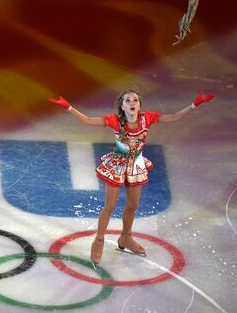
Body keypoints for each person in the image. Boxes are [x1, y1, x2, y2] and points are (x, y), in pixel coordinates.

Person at [49, 89, 213, 264]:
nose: (132, 103)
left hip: (135, 164)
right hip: (118, 165)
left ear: (140, 105)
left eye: (135, 100)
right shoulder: (115, 120)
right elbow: (87, 121)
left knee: (133, 204)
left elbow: (173, 117)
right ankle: (99, 240)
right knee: (109, 206)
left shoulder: (146, 118)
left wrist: (195, 104)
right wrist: (68, 107)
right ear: (122, 105)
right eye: (128, 100)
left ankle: (126, 237)